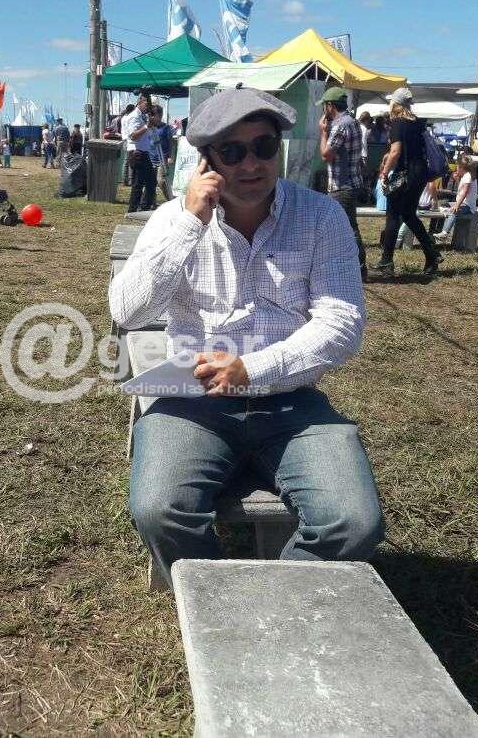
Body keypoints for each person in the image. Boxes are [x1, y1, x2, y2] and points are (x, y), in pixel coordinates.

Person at [110, 86, 383, 589]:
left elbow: (341, 324)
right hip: (194, 399)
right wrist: (190, 224)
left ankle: (268, 603)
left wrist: (250, 369)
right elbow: (127, 312)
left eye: (263, 146)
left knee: (353, 522)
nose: (252, 163)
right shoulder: (172, 221)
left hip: (290, 401)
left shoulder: (321, 217)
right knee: (160, 510)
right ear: (206, 160)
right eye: (232, 152)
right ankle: (216, 602)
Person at [373, 88, 441, 277]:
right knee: (409, 215)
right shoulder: (417, 123)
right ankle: (432, 254)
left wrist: (384, 173)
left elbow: (395, 152)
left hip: (405, 174)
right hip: (420, 174)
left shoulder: (397, 123)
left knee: (393, 215)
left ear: (395, 104)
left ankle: (386, 261)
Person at [318, 86, 368, 281]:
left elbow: (326, 155)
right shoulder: (352, 122)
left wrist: (323, 133)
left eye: (324, 105)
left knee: (348, 227)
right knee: (347, 226)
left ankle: (359, 268)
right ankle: (354, 266)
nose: (323, 109)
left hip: (341, 185)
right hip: (351, 182)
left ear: (330, 106)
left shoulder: (340, 126)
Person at [122, 94, 156, 213]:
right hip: (137, 152)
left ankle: (144, 207)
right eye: (147, 104)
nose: (148, 107)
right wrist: (146, 126)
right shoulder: (134, 117)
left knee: (151, 182)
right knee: (138, 183)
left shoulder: (142, 116)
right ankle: (133, 209)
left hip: (143, 152)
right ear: (140, 102)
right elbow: (133, 136)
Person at [433, 155, 477, 244]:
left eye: (457, 166)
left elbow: (465, 192)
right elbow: (461, 190)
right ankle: (446, 213)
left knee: (453, 211)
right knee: (444, 205)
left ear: (461, 167)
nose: (456, 168)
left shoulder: (468, 176)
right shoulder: (467, 175)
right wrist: (457, 179)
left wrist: (457, 205)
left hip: (467, 206)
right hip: (463, 203)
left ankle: (445, 233)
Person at [152, 105, 175, 201]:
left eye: (154, 114)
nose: (152, 116)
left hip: (162, 158)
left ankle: (170, 199)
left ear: (160, 115)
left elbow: (171, 142)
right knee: (151, 182)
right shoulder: (149, 127)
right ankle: (151, 202)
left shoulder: (166, 127)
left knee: (161, 181)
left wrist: (170, 156)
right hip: (150, 157)